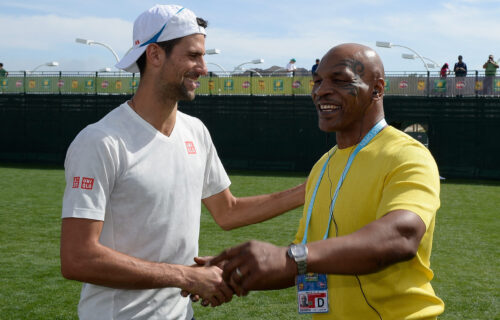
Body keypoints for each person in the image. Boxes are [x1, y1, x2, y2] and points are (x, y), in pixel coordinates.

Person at [60, 5, 304, 320]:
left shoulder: (196, 131)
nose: (203, 67)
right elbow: (77, 258)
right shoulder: (101, 141)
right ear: (155, 55)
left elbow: (227, 211)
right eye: (193, 56)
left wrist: (310, 189)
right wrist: (187, 277)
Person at [209, 43, 444, 319]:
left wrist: (291, 257)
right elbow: (304, 257)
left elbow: (400, 236)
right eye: (317, 81)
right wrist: (232, 274)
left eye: (340, 80)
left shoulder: (407, 155)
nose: (321, 91)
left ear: (378, 89)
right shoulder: (322, 166)